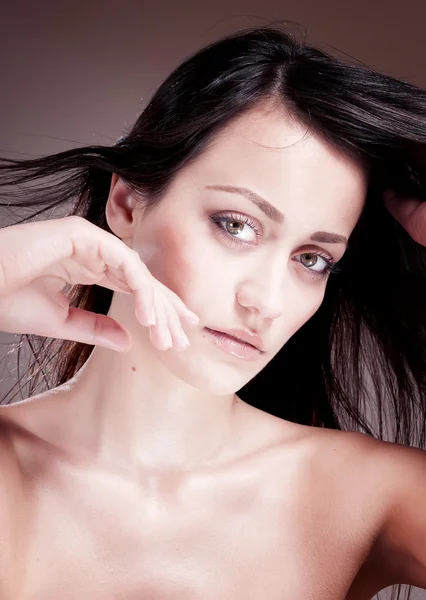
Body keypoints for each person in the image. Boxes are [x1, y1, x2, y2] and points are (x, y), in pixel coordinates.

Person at [0, 24, 425, 600]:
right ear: (126, 203)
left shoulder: (371, 495)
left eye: (313, 258)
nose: (267, 301)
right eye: (237, 225)